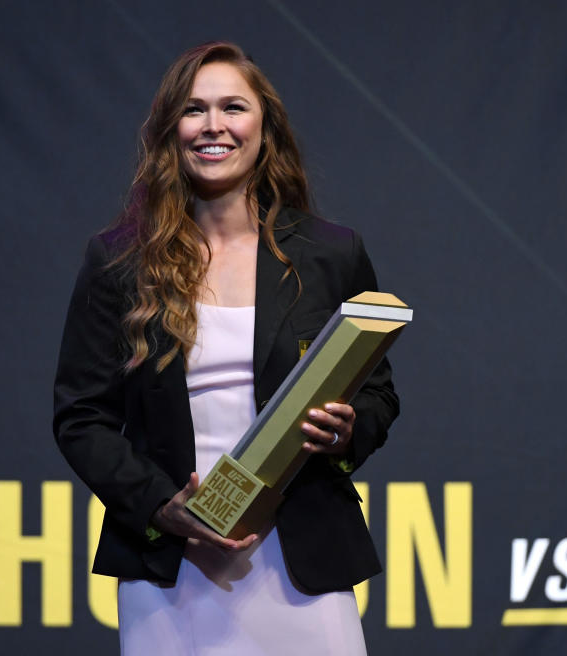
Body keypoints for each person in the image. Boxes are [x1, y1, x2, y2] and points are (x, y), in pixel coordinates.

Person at [53, 41, 399, 655]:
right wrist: (163, 507)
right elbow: (81, 417)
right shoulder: (119, 260)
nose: (214, 125)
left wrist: (347, 431)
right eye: (194, 110)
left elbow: (376, 394)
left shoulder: (331, 252)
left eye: (232, 107)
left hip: (302, 563)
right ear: (170, 132)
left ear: (264, 128)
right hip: (169, 567)